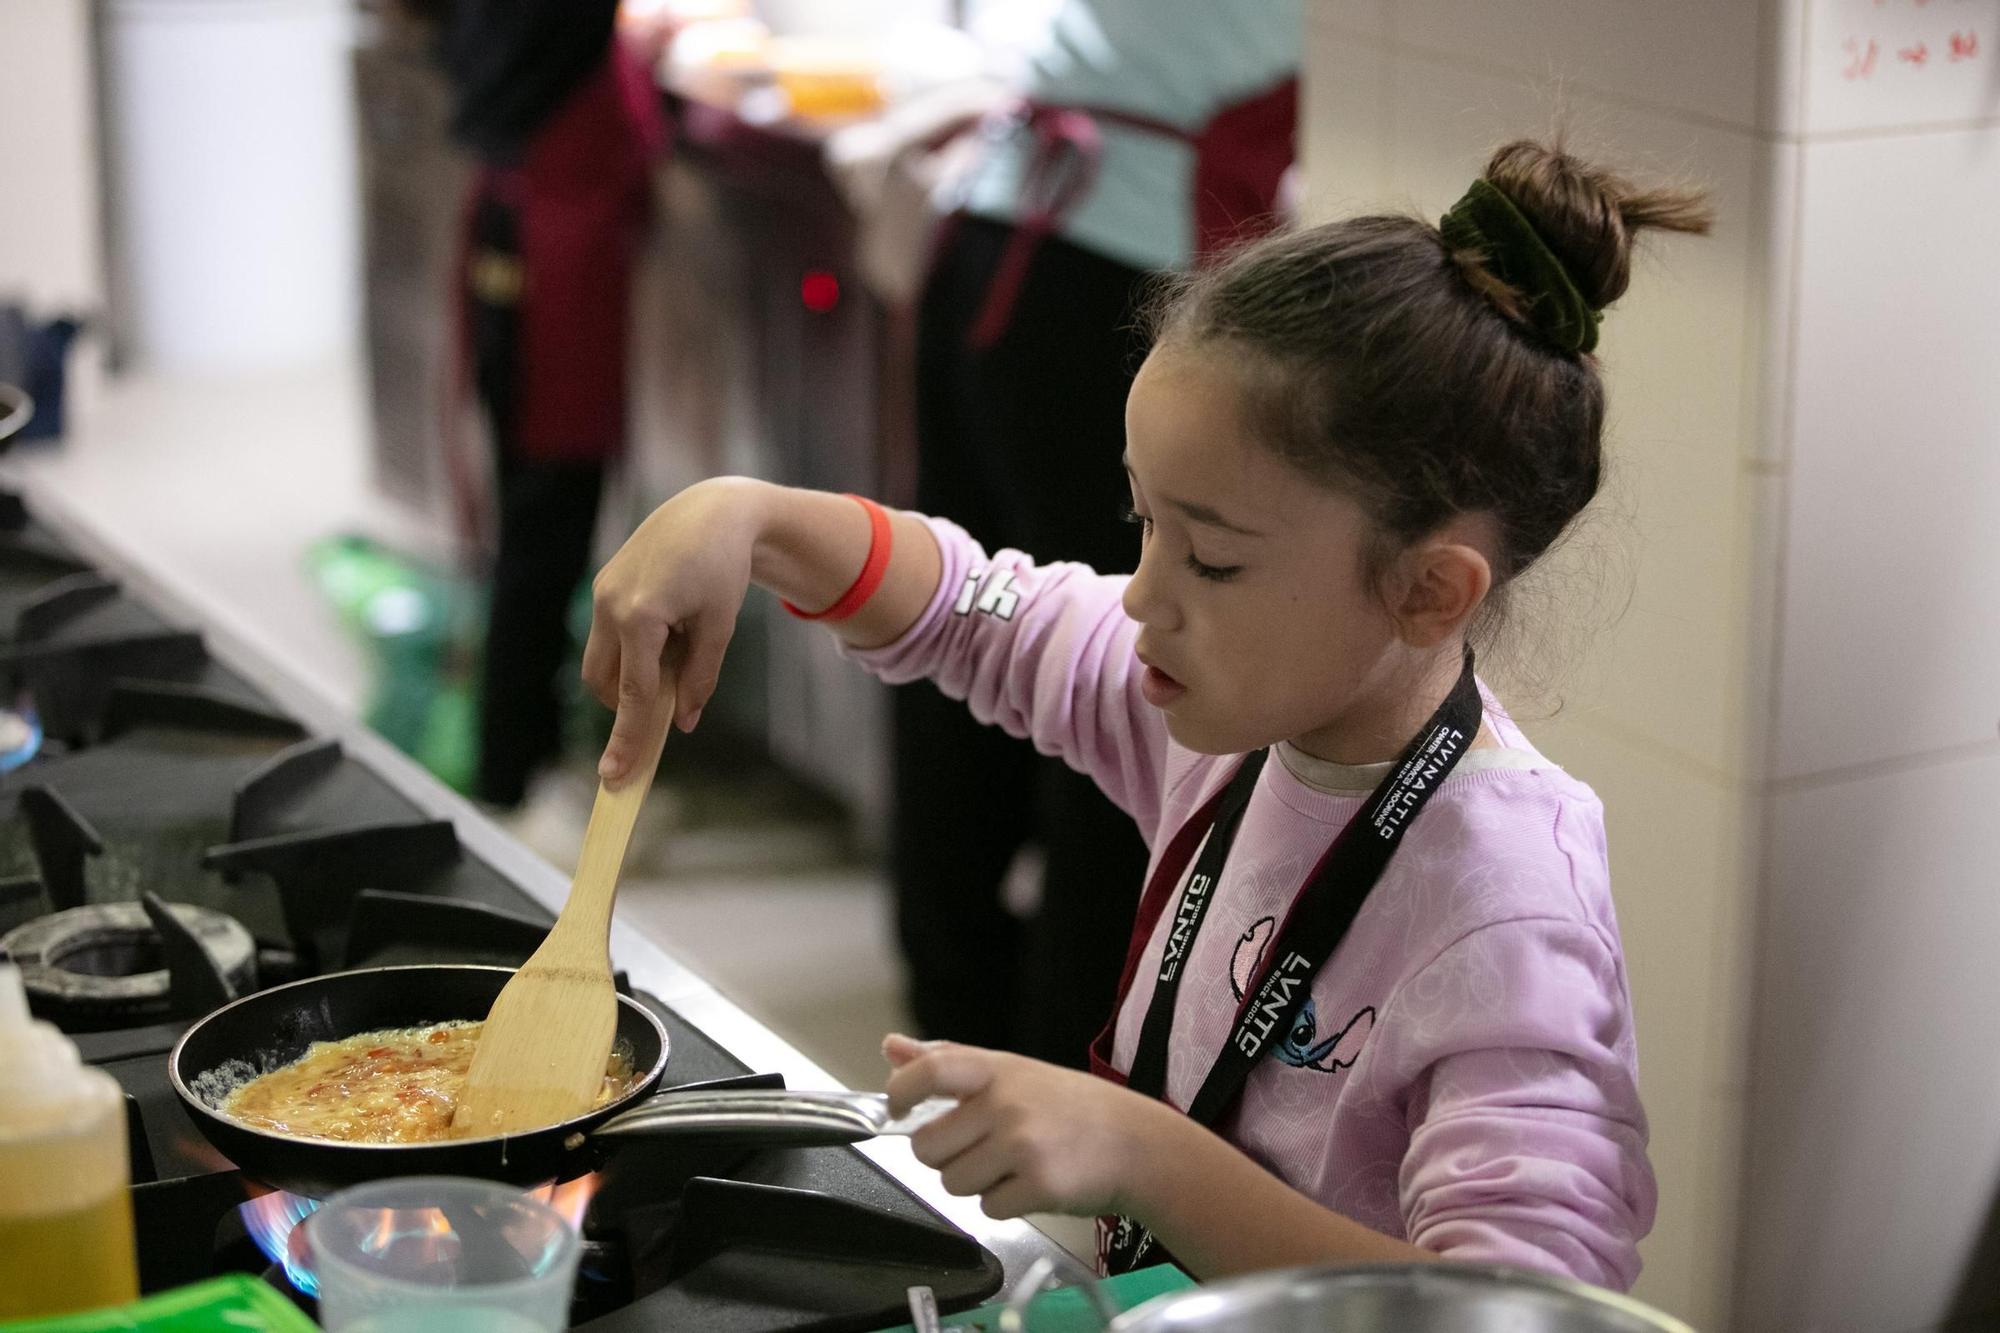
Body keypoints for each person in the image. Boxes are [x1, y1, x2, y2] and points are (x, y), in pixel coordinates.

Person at [584, 141, 1710, 1286]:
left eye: (1210, 559)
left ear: (1426, 592)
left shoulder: (1505, 906)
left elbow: (1523, 1310)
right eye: (1141, 523)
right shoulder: (1234, 706)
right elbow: (987, 613)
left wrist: (1142, 1157)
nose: (1141, 594)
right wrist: (751, 518)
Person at [900, 0, 1302, 1068]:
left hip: (996, 234)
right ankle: (1059, 1065)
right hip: (1102, 280)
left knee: (976, 652)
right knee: (1128, 685)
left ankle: (952, 1039)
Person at [439, 0, 667, 808]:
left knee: (535, 520)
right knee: (544, 527)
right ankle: (513, 774)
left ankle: (522, 754)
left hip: (525, 226)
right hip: (553, 245)